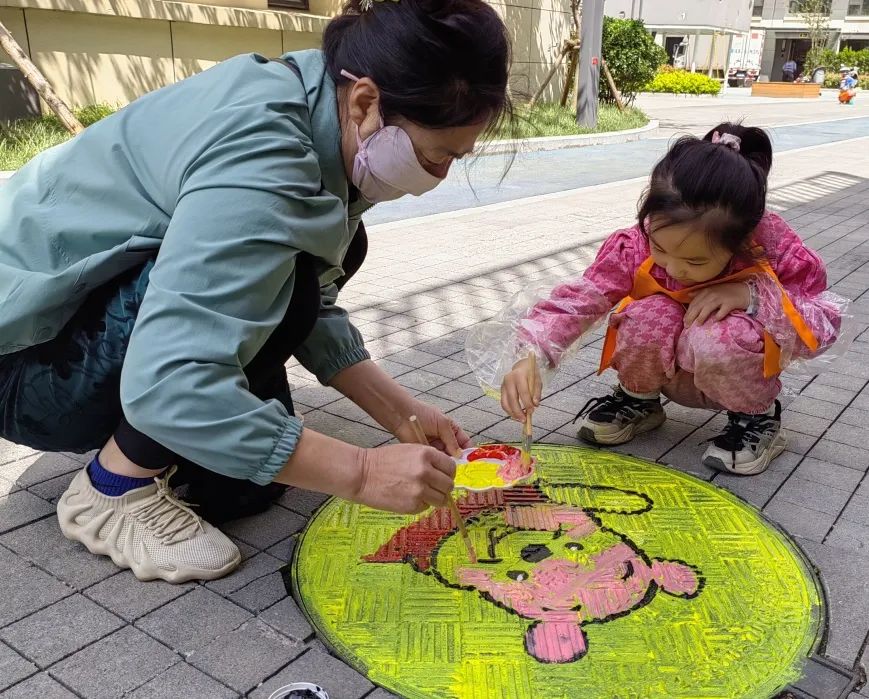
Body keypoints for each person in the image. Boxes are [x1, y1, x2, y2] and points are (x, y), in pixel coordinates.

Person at [0, 0, 513, 583]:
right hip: (29, 366)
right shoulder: (265, 153)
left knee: (244, 484)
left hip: (85, 323)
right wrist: (365, 473)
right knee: (280, 294)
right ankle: (113, 488)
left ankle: (157, 448)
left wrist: (401, 412)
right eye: (437, 154)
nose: (435, 178)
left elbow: (309, 297)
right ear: (368, 101)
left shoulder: (323, 102)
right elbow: (169, 382)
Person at [496, 123, 847, 477]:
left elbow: (823, 322)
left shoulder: (772, 250)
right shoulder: (634, 245)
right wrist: (531, 354)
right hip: (664, 365)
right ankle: (639, 398)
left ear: (740, 241)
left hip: (729, 368)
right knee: (645, 313)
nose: (675, 269)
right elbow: (581, 300)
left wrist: (752, 295)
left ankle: (756, 418)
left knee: (717, 336)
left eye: (696, 261)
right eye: (660, 249)